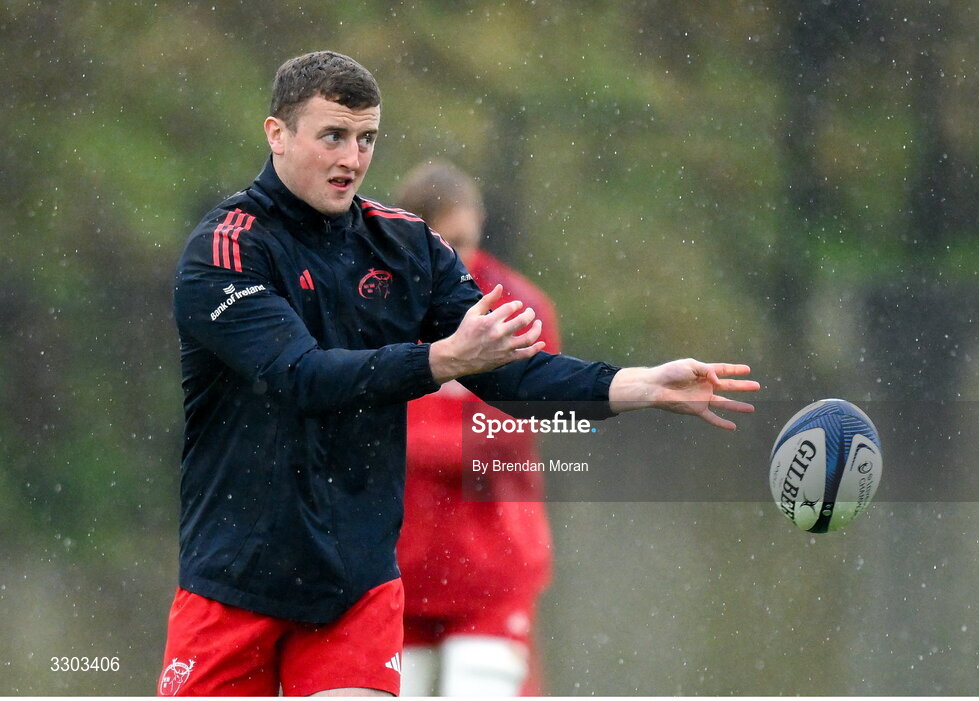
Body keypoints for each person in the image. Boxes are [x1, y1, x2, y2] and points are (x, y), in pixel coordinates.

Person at [162, 50, 759, 697]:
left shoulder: (406, 246)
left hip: (353, 587)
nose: (353, 159)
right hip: (233, 578)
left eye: (367, 139)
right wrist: (439, 359)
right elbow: (301, 377)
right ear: (276, 133)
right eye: (333, 135)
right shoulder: (228, 245)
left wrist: (633, 385)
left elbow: (511, 374)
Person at [394, 161, 561, 696]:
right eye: (436, 245)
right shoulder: (375, 307)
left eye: (461, 242)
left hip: (492, 566)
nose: (451, 260)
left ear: (481, 224)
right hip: (393, 570)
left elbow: (504, 436)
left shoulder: (519, 310)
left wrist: (395, 437)